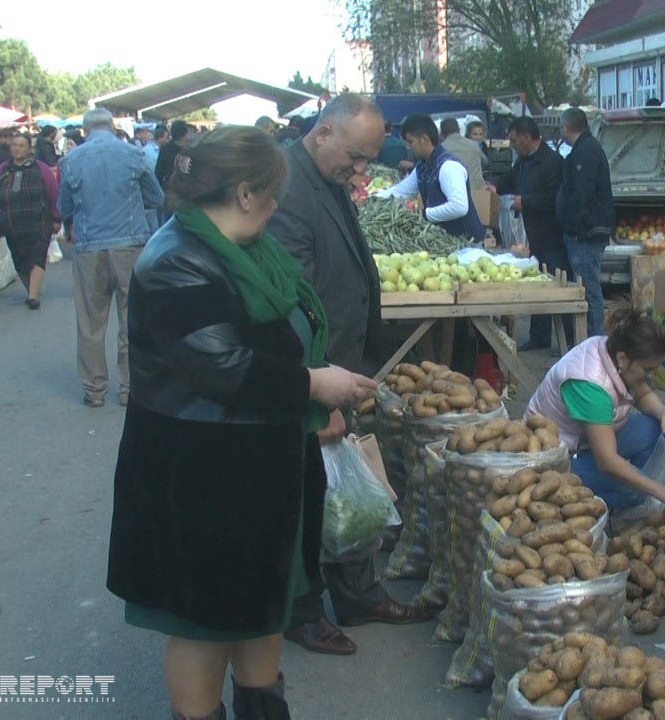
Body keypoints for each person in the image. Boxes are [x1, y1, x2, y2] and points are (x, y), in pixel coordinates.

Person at [105, 125, 379, 720]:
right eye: (273, 193)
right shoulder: (174, 260)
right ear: (246, 193)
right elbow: (223, 369)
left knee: (261, 608)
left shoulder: (250, 246)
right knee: (204, 623)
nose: (278, 204)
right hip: (200, 478)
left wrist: (313, 391)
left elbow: (285, 336)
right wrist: (313, 386)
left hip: (261, 470)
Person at [267, 93, 427, 657]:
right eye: (356, 157)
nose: (361, 170)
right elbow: (289, 305)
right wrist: (317, 395)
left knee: (346, 484)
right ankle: (302, 610)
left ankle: (357, 594)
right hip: (315, 373)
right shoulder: (288, 188)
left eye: (367, 160)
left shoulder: (325, 176)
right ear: (323, 133)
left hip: (340, 365)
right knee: (310, 496)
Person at [526, 309, 665, 513]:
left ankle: (629, 491)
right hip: (558, 457)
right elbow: (607, 461)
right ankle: (612, 504)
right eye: (647, 370)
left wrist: (662, 411)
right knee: (634, 491)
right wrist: (661, 491)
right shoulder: (590, 387)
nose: (651, 376)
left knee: (656, 428)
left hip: (586, 440)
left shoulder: (614, 353)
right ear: (623, 358)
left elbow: (642, 394)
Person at [57, 108, 166, 408]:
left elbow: (64, 206)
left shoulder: (71, 160)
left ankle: (94, 389)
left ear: (85, 130)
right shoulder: (133, 154)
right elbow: (156, 197)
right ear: (113, 126)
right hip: (129, 245)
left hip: (89, 249)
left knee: (90, 322)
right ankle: (129, 387)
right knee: (131, 318)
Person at [494, 116, 572, 351]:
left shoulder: (553, 162)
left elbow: (555, 199)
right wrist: (493, 187)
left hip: (553, 235)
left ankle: (568, 341)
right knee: (539, 285)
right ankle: (539, 337)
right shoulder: (523, 161)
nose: (512, 145)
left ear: (527, 138)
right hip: (534, 234)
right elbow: (510, 180)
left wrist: (526, 202)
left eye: (514, 140)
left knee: (558, 287)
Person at [555, 107, 614, 338]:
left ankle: (593, 339)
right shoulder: (585, 149)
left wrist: (575, 227)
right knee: (585, 287)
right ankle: (585, 338)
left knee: (588, 289)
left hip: (586, 234)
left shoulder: (586, 152)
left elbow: (582, 195)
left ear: (565, 128)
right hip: (583, 232)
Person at [389, 114, 485, 243]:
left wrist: (422, 214)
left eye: (411, 141)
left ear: (424, 139)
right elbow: (400, 192)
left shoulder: (449, 166)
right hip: (446, 241)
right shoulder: (422, 166)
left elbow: (459, 206)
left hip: (466, 243)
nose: (408, 147)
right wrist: (372, 199)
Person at [0, 133, 60, 309]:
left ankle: (33, 296)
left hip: (39, 221)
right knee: (20, 259)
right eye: (14, 145)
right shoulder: (4, 169)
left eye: (21, 145)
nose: (17, 149)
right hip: (12, 222)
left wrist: (56, 217)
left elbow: (53, 192)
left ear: (29, 149)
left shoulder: (40, 168)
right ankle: (31, 290)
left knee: (37, 256)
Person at [439, 117, 486, 190]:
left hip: (453, 190)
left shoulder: (441, 149)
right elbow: (485, 162)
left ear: (441, 134)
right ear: (459, 130)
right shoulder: (473, 145)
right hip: (477, 190)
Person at [156, 120, 196, 187]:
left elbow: (158, 172)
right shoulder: (189, 150)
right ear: (184, 135)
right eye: (189, 132)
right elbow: (159, 172)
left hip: (171, 188)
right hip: (175, 188)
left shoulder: (164, 149)